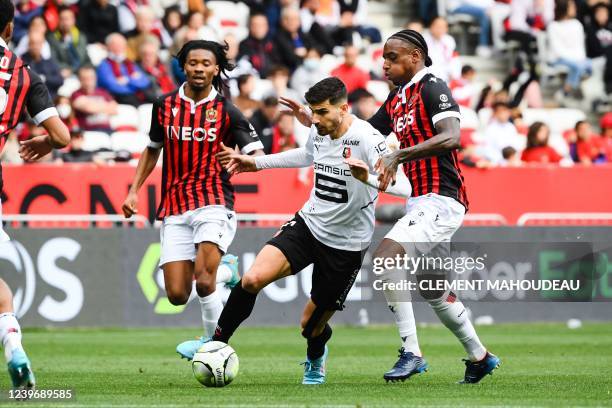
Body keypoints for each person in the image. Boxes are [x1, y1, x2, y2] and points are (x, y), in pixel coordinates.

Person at [282, 29, 499, 384]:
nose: (384, 64)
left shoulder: (433, 87)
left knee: (386, 257)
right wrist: (316, 123)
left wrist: (400, 154)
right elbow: (362, 130)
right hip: (420, 201)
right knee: (434, 290)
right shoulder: (399, 97)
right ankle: (480, 357)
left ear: (415, 56)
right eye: (383, 57)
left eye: (392, 57)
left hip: (443, 198)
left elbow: (452, 137)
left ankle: (412, 352)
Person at [210, 77, 410, 384]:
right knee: (252, 279)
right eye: (312, 112)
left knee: (310, 327)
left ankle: (316, 358)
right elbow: (306, 156)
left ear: (343, 109)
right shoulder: (320, 131)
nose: (313, 119)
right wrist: (256, 163)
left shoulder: (368, 139)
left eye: (321, 112)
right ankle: (215, 345)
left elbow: (406, 187)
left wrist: (367, 177)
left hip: (346, 245)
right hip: (308, 225)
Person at [121, 40, 264, 360]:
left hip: (214, 201)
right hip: (174, 206)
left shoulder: (227, 110)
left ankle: (213, 346)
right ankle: (226, 271)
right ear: (183, 66)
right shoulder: (164, 105)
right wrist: (133, 190)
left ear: (216, 69)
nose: (199, 68)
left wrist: (240, 158)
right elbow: (152, 148)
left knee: (203, 282)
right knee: (175, 294)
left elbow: (257, 154)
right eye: (193, 62)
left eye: (206, 63)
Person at [0, 0, 70, 390]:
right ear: (10, 29)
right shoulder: (25, 75)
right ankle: (13, 346)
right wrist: (44, 142)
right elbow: (62, 137)